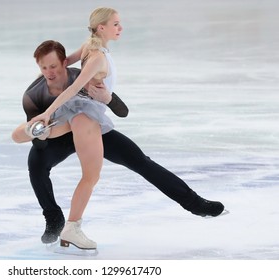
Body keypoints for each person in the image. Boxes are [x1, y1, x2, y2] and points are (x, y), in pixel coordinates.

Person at [12, 18, 225, 248]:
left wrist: (107, 98)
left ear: (64, 62)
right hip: (60, 136)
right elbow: (39, 141)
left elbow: (122, 111)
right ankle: (53, 217)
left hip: (91, 131)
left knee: (141, 161)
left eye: (53, 66)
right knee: (36, 164)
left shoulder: (82, 77)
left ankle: (194, 203)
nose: (49, 72)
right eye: (43, 68)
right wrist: (46, 133)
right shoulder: (33, 95)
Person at [26, 7, 123, 250]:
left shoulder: (90, 47)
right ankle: (71, 227)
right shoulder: (97, 56)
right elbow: (72, 87)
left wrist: (51, 72)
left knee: (90, 175)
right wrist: (47, 107)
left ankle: (71, 226)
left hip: (81, 113)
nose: (120, 28)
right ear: (101, 28)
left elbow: (65, 62)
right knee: (90, 176)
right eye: (116, 24)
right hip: (86, 117)